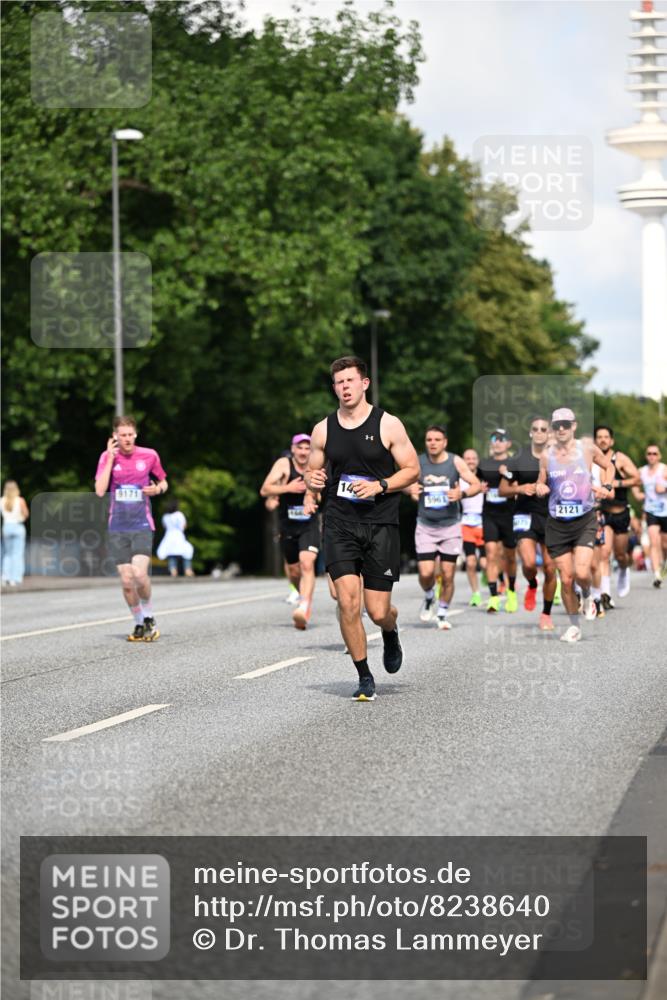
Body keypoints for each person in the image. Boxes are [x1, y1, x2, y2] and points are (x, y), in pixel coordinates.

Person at [303, 356, 419, 701]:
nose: (345, 388)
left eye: (350, 381)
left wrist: (381, 485)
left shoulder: (388, 424)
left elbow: (412, 470)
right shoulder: (323, 429)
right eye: (339, 383)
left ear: (364, 383)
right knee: (347, 602)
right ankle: (364, 675)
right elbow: (312, 474)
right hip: (339, 523)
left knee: (377, 610)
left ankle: (390, 630)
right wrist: (312, 481)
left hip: (380, 523)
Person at [537, 408, 612, 643]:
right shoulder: (546, 455)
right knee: (566, 579)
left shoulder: (587, 449)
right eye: (557, 425)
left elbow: (608, 466)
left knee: (581, 572)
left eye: (566, 424)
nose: (561, 429)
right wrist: (540, 487)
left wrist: (607, 487)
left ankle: (589, 596)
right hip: (557, 524)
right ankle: (573, 626)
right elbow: (541, 481)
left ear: (574, 426)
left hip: (584, 520)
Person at [95, 416, 167, 641]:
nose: (126, 439)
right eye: (122, 435)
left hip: (141, 524)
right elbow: (99, 490)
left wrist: (158, 490)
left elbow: (163, 481)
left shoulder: (149, 455)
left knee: (139, 574)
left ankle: (149, 616)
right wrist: (109, 460)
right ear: (115, 436)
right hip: (117, 526)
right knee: (127, 582)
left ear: (135, 434)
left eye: (129, 435)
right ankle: (138, 623)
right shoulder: (107, 457)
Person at [406, 425, 480, 629]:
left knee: (448, 574)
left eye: (437, 439)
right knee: (426, 573)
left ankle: (442, 613)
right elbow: (402, 482)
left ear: (444, 442)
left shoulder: (455, 461)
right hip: (425, 525)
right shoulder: (418, 462)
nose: (433, 443)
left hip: (450, 526)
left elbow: (475, 484)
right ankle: (430, 595)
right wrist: (409, 489)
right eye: (429, 439)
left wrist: (461, 494)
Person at [499, 417, 557, 631]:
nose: (540, 432)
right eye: (536, 429)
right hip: (524, 514)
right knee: (530, 563)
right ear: (531, 433)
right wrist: (520, 488)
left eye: (544, 429)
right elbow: (503, 489)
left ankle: (546, 613)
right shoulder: (518, 458)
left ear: (549, 432)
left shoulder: (557, 457)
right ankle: (532, 584)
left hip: (551, 516)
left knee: (551, 568)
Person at [260, 434, 321, 629]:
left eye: (307, 448)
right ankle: (301, 593)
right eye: (300, 448)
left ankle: (304, 607)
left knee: (307, 563)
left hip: (309, 525)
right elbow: (265, 490)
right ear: (293, 449)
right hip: (287, 526)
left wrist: (314, 499)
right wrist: (289, 487)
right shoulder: (283, 464)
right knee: (294, 571)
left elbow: (323, 492)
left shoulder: (316, 463)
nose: (303, 452)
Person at [593, 425, 641, 604]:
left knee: (621, 555)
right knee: (604, 553)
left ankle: (623, 570)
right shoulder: (591, 459)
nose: (603, 440)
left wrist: (616, 484)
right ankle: (605, 593)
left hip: (620, 512)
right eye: (599, 437)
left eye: (606, 437)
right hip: (602, 512)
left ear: (611, 440)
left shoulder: (619, 458)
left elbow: (637, 478)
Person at [478, 429, 518, 613]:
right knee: (491, 553)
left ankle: (511, 592)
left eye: (502, 439)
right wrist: (479, 487)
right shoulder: (484, 464)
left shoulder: (514, 463)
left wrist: (507, 474)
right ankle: (493, 597)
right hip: (490, 514)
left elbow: (519, 486)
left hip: (509, 514)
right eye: (494, 438)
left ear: (508, 443)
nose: (497, 442)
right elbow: (475, 483)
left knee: (510, 556)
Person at [633, 444, 667, 587]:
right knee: (654, 542)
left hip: (665, 510)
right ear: (646, 456)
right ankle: (657, 574)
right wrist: (639, 494)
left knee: (665, 544)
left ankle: (663, 563)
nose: (652, 456)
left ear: (659, 456)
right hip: (650, 510)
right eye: (649, 453)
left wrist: (664, 487)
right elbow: (634, 486)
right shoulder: (641, 471)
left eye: (654, 453)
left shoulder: (664, 469)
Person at [460, 449, 486, 606]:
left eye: (473, 458)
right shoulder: (458, 478)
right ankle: (476, 594)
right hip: (466, 524)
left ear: (478, 460)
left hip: (484, 524)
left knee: (484, 563)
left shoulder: (485, 477)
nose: (470, 461)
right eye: (467, 458)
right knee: (470, 562)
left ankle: (491, 584)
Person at [1, 481, 29, 586]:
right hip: (18, 526)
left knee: (7, 554)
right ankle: (15, 578)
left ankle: (5, 577)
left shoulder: (1, 501)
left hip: (6, 527)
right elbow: (26, 514)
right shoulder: (20, 500)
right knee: (17, 554)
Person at [157, 498, 194, 577]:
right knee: (186, 551)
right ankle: (188, 569)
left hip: (169, 536)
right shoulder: (179, 514)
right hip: (178, 535)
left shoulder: (165, 516)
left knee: (171, 554)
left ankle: (173, 570)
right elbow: (184, 526)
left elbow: (164, 526)